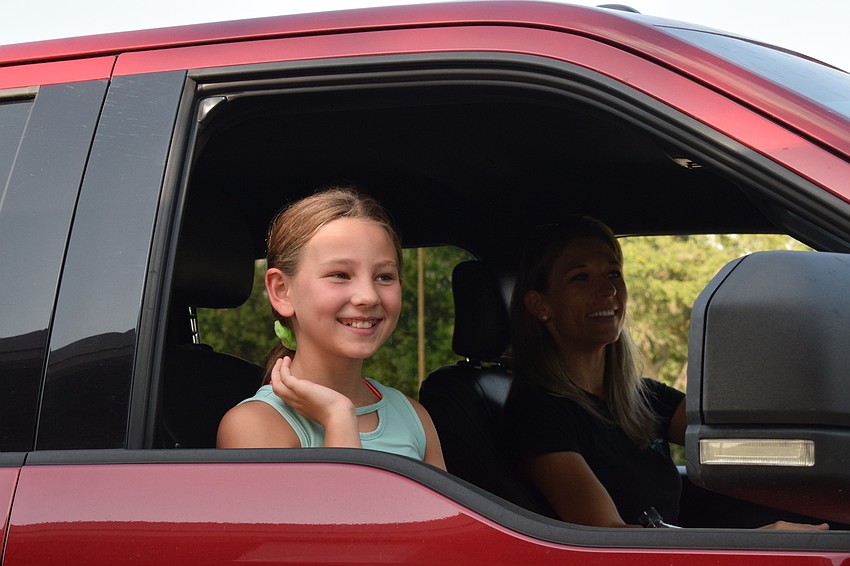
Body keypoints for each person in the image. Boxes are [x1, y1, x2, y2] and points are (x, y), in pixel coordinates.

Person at [503, 217, 827, 530]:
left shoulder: (644, 398)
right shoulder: (537, 413)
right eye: (581, 277)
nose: (608, 290)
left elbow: (744, 438)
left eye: (614, 274)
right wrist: (759, 543)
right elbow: (607, 539)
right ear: (540, 305)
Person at [217, 185, 445, 470]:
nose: (368, 296)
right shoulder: (255, 425)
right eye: (340, 274)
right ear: (282, 291)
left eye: (384, 277)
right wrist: (338, 417)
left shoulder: (414, 417)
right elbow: (343, 501)